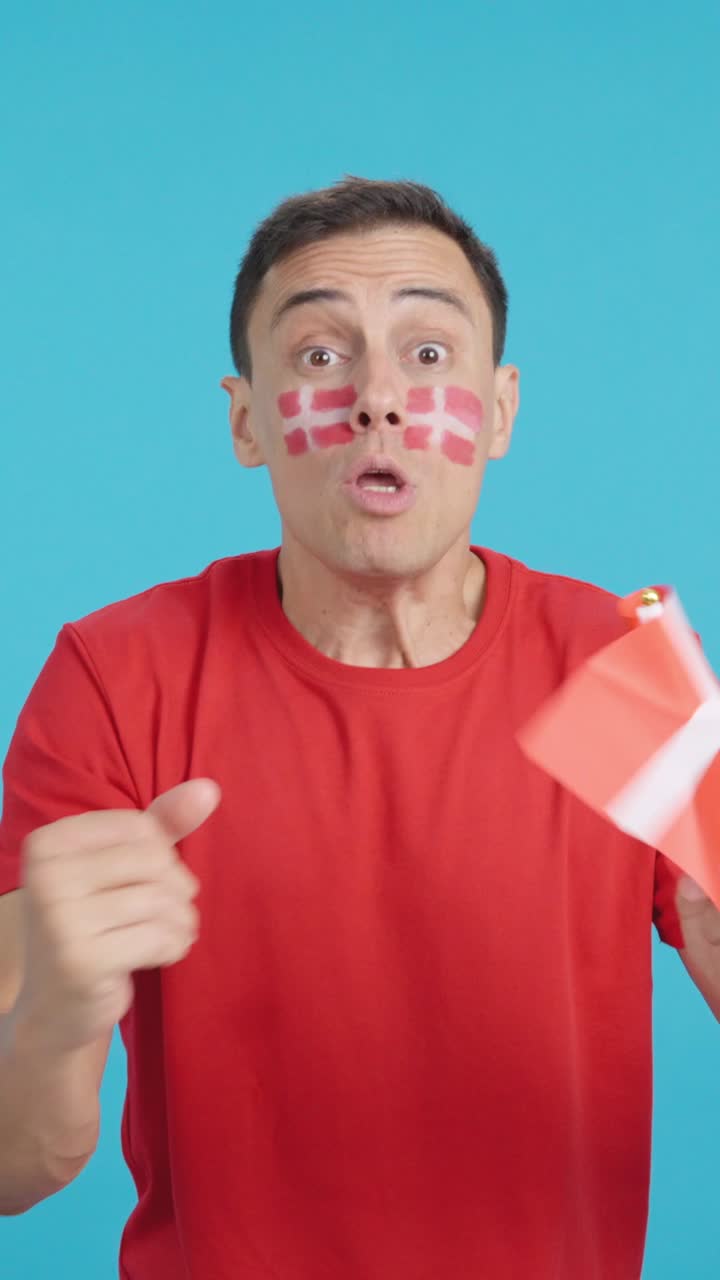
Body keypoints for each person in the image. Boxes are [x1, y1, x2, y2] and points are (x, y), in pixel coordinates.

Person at [0, 177, 717, 1279]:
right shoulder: (113, 677)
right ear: (247, 421)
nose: (377, 397)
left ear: (503, 410)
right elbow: (17, 1167)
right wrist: (55, 1010)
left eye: (428, 353)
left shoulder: (621, 668)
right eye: (320, 354)